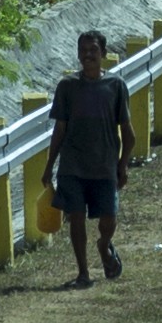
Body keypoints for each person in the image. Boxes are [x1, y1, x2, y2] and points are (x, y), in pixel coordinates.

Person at [48, 32, 134, 285]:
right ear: (77, 54)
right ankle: (83, 273)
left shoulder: (115, 86)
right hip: (72, 166)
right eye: (83, 50)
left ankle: (104, 246)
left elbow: (129, 134)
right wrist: (48, 166)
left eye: (93, 50)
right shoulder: (67, 87)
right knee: (76, 217)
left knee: (108, 218)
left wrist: (123, 165)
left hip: (104, 165)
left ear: (103, 54)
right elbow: (59, 130)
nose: (88, 55)